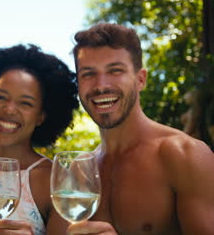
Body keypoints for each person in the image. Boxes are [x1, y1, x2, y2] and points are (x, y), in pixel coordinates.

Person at [67, 23, 214, 235]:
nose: (101, 85)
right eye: (88, 74)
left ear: (140, 79)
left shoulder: (184, 155)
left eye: (115, 71)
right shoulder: (80, 172)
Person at [0, 44, 79, 235]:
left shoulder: (54, 181)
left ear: (41, 116)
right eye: (1, 97)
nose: (9, 109)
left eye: (25, 103)